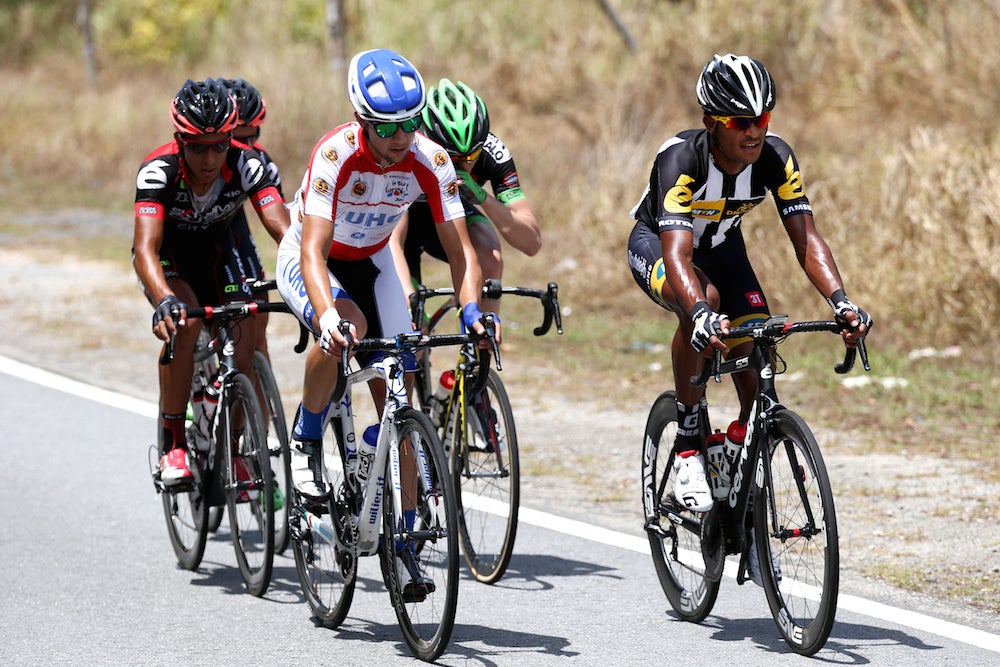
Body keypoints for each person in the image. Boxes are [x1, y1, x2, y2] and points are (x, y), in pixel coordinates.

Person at [627, 53, 871, 570]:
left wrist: (842, 302)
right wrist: (696, 312)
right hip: (660, 246)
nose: (755, 131)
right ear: (711, 122)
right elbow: (677, 256)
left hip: (723, 250)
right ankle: (690, 439)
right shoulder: (680, 159)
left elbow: (806, 240)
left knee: (757, 342)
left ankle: (743, 484)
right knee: (707, 304)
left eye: (763, 119)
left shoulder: (776, 159)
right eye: (741, 122)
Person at [276, 48, 499, 599]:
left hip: (373, 259)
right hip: (317, 260)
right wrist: (325, 314)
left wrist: (472, 309)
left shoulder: (430, 159)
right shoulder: (334, 154)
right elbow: (312, 249)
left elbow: (462, 251)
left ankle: (403, 546)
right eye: (387, 127)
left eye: (409, 123)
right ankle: (305, 441)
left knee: (399, 389)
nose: (401, 137)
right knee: (345, 327)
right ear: (361, 120)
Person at [134, 77, 289, 486]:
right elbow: (146, 247)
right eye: (198, 147)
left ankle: (234, 450)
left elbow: (282, 229)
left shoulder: (247, 164)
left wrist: (309, 280)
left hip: (220, 258)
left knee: (245, 338)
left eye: (220, 144)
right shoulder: (158, 171)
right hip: (170, 261)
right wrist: (164, 299)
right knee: (183, 325)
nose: (209, 158)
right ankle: (174, 445)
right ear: (179, 140)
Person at [389, 78, 541, 315]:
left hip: (454, 220)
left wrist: (482, 197)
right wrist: (407, 298)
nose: (462, 166)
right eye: (451, 158)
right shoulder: (410, 152)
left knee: (490, 256)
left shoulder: (493, 153)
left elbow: (531, 243)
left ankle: (483, 342)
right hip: (406, 224)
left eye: (471, 157)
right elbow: (392, 241)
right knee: (412, 332)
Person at [221, 76, 282, 364]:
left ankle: (263, 407)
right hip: (199, 235)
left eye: (252, 136)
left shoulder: (260, 162)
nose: (245, 146)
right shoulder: (204, 162)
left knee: (258, 325)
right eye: (236, 138)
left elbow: (284, 219)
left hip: (235, 227)